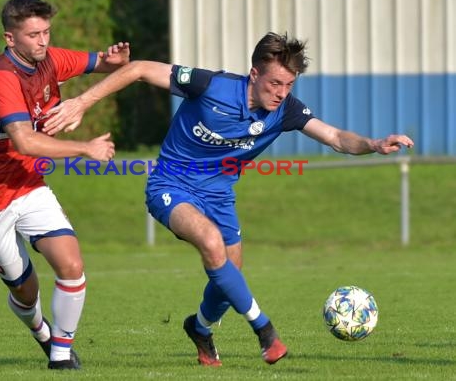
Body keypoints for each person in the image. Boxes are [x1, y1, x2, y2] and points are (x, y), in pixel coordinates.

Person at [43, 32, 414, 367]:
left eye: (288, 85)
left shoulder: (285, 111)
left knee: (229, 273)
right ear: (254, 75)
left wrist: (374, 144)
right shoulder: (210, 85)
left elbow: (334, 137)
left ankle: (200, 328)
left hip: (219, 196)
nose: (282, 93)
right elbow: (139, 68)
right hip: (171, 185)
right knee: (210, 241)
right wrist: (82, 102)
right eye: (275, 83)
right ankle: (265, 331)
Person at [0, 0, 130, 370]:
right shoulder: (0, 76)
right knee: (25, 290)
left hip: (29, 185)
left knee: (71, 264)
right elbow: (24, 140)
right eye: (33, 35)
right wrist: (85, 148)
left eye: (46, 32)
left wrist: (116, 59)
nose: (43, 41)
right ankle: (42, 333)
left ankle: (61, 357)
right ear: (10, 38)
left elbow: (102, 63)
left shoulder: (50, 58)